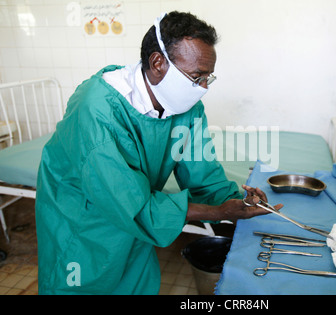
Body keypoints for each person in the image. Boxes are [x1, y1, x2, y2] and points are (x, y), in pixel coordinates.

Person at [35, 11, 281, 295]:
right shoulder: (98, 110)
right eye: (196, 77)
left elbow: (202, 173)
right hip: (83, 224)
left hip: (138, 220)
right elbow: (131, 205)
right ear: (158, 63)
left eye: (208, 79)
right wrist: (218, 211)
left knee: (134, 282)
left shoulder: (186, 107)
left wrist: (237, 201)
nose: (202, 89)